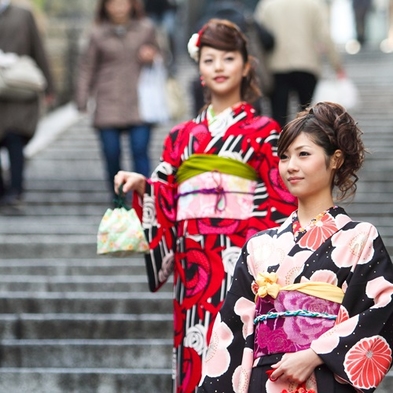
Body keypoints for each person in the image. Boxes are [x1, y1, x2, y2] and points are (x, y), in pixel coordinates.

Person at [114, 18, 297, 393]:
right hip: (193, 262)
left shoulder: (265, 132)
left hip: (243, 260)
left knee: (240, 349)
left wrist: (257, 249)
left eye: (228, 58)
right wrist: (144, 189)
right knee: (195, 347)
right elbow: (165, 193)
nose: (218, 67)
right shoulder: (180, 136)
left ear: (246, 66)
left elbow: (282, 199)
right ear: (199, 68)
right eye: (209, 59)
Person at [198, 101, 393, 393]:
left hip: (324, 375)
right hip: (265, 379)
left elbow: (385, 310)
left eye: (303, 154)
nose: (291, 166)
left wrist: (316, 354)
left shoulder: (360, 237)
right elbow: (232, 328)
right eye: (285, 156)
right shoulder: (259, 245)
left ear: (335, 159)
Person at [75, 0, 159, 200]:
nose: (119, 7)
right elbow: (87, 67)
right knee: (111, 153)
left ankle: (144, 197)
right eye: (113, 3)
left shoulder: (146, 29)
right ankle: (118, 196)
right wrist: (82, 97)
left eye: (123, 3)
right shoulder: (97, 34)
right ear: (105, 7)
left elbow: (163, 55)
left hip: (139, 100)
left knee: (140, 151)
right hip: (108, 99)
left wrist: (152, 56)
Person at [254, 0, 345, 127]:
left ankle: (278, 145)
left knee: (278, 116)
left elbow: (258, 34)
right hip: (307, 64)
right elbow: (324, 35)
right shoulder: (314, 4)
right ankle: (304, 145)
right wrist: (337, 65)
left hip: (276, 66)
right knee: (306, 117)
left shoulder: (268, 4)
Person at [0, 0, 55, 209]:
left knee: (14, 138)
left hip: (18, 87)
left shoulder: (23, 14)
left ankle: (16, 189)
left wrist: (49, 85)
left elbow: (37, 48)